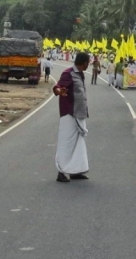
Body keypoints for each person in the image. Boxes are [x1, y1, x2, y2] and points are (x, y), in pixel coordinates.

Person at [52, 52, 91, 183]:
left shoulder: (80, 74)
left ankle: (75, 171)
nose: (89, 64)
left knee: (78, 144)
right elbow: (57, 87)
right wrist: (59, 91)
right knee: (66, 143)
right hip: (69, 114)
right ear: (84, 62)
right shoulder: (68, 73)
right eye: (88, 62)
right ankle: (61, 172)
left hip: (79, 114)